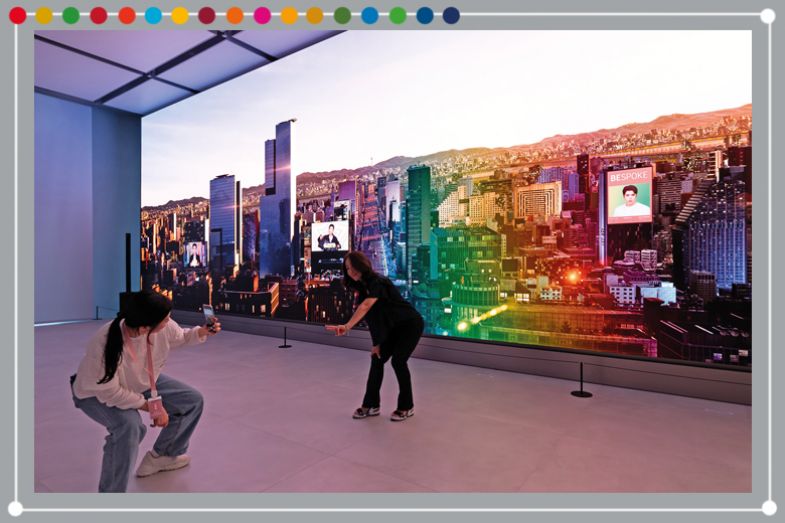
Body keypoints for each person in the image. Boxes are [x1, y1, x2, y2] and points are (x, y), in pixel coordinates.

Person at [70, 291, 221, 492]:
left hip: (139, 381)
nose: (170, 321)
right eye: (165, 319)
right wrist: (152, 407)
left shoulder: (160, 326)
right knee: (130, 428)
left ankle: (163, 456)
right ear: (144, 328)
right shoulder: (106, 342)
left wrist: (202, 332)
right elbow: (110, 391)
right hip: (95, 393)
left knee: (191, 401)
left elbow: (180, 337)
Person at [326, 251, 424, 422]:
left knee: (398, 361)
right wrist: (376, 343)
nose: (351, 271)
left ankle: (407, 406)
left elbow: (365, 307)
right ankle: (371, 405)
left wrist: (347, 326)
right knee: (376, 359)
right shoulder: (363, 288)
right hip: (392, 327)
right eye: (347, 269)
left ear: (362, 265)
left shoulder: (377, 282)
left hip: (409, 325)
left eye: (353, 266)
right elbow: (373, 319)